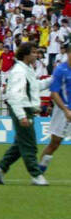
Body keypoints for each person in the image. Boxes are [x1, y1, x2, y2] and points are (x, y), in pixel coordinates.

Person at [0, 41, 50, 186]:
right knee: (29, 144)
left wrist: (52, 80)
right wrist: (21, 115)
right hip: (21, 109)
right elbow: (14, 95)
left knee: (20, 144)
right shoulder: (19, 71)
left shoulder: (27, 69)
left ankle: (0, 167)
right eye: (34, 52)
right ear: (25, 55)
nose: (36, 55)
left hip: (25, 109)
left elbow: (35, 87)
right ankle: (36, 175)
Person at [39, 44, 71, 174]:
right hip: (63, 112)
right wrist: (66, 110)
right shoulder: (60, 70)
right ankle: (39, 172)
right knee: (55, 143)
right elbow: (54, 93)